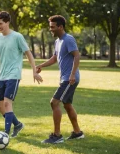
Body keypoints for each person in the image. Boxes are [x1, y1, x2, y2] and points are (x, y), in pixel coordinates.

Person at [0, 11, 43, 137]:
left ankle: (6, 134)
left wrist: (34, 71)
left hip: (14, 74)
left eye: (1, 23)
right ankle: (17, 124)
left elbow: (28, 53)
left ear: (7, 22)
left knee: (7, 103)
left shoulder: (17, 37)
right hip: (1, 75)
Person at [36, 15, 84, 144]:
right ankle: (77, 132)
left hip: (69, 79)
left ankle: (57, 135)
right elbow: (55, 58)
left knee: (54, 102)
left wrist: (72, 74)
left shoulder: (68, 39)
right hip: (66, 78)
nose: (50, 29)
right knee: (67, 105)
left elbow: (77, 56)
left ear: (60, 27)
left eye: (52, 27)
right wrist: (41, 65)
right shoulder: (58, 41)